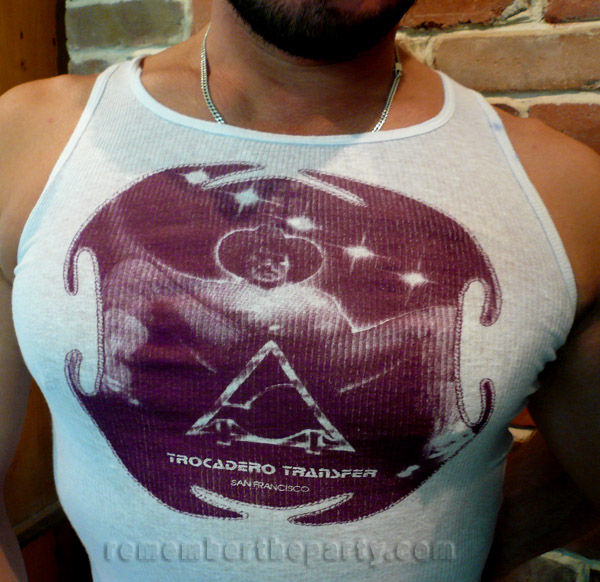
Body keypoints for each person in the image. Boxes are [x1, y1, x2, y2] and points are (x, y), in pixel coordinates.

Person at [0, 0, 599, 580]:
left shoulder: (566, 192)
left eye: (280, 257)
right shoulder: (29, 138)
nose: (269, 264)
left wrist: (470, 549)